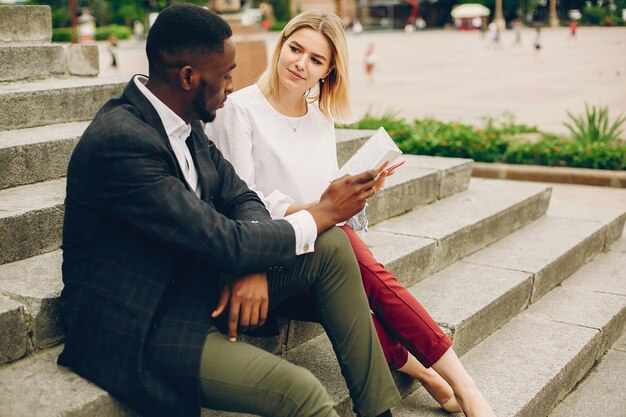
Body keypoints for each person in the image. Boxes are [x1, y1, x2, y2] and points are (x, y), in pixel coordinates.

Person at [57, 4, 401, 417]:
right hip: (146, 321)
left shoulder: (184, 124)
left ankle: (379, 411)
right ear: (188, 77)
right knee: (303, 391)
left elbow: (242, 198)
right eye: (225, 75)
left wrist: (250, 263)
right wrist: (323, 210)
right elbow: (218, 238)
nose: (233, 85)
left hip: (200, 284)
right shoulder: (123, 142)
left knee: (332, 247)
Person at [207, 9, 496, 417]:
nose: (300, 63)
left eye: (316, 59)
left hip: (320, 248)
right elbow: (239, 200)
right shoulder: (239, 109)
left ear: (327, 71)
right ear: (281, 44)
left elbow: (331, 204)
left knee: (349, 263)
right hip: (265, 258)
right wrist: (322, 210)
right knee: (350, 255)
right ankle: (462, 385)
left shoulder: (320, 120)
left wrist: (358, 193)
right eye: (295, 48)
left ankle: (433, 375)